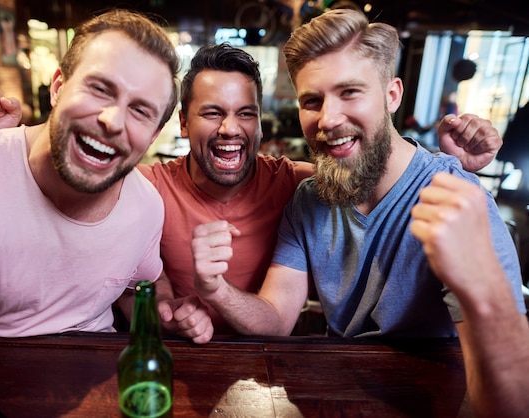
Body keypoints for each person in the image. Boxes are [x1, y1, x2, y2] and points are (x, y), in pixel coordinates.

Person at [0, 43, 504, 336]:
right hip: (168, 362)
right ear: (183, 123)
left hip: (269, 368)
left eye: (245, 114)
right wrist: (9, 150)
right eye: (211, 113)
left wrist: (451, 168)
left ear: (261, 122)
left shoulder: (295, 184)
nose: (229, 129)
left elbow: (366, 169)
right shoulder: (143, 188)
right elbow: (74, 187)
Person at [190, 8, 526, 414]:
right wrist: (217, 290)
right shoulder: (309, 199)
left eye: (350, 92)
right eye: (312, 100)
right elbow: (278, 317)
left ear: (392, 95)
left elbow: (512, 398)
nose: (328, 119)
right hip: (342, 394)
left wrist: (481, 286)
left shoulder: (456, 198)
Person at [0, 9, 212, 341]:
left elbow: (140, 286)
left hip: (98, 375)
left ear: (153, 135)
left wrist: (168, 316)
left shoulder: (147, 205)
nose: (113, 120)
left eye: (139, 110)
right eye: (100, 89)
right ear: (58, 88)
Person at [411, 172, 529, 417]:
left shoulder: (462, 193)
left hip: (445, 384)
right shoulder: (311, 195)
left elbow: (515, 407)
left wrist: (484, 282)